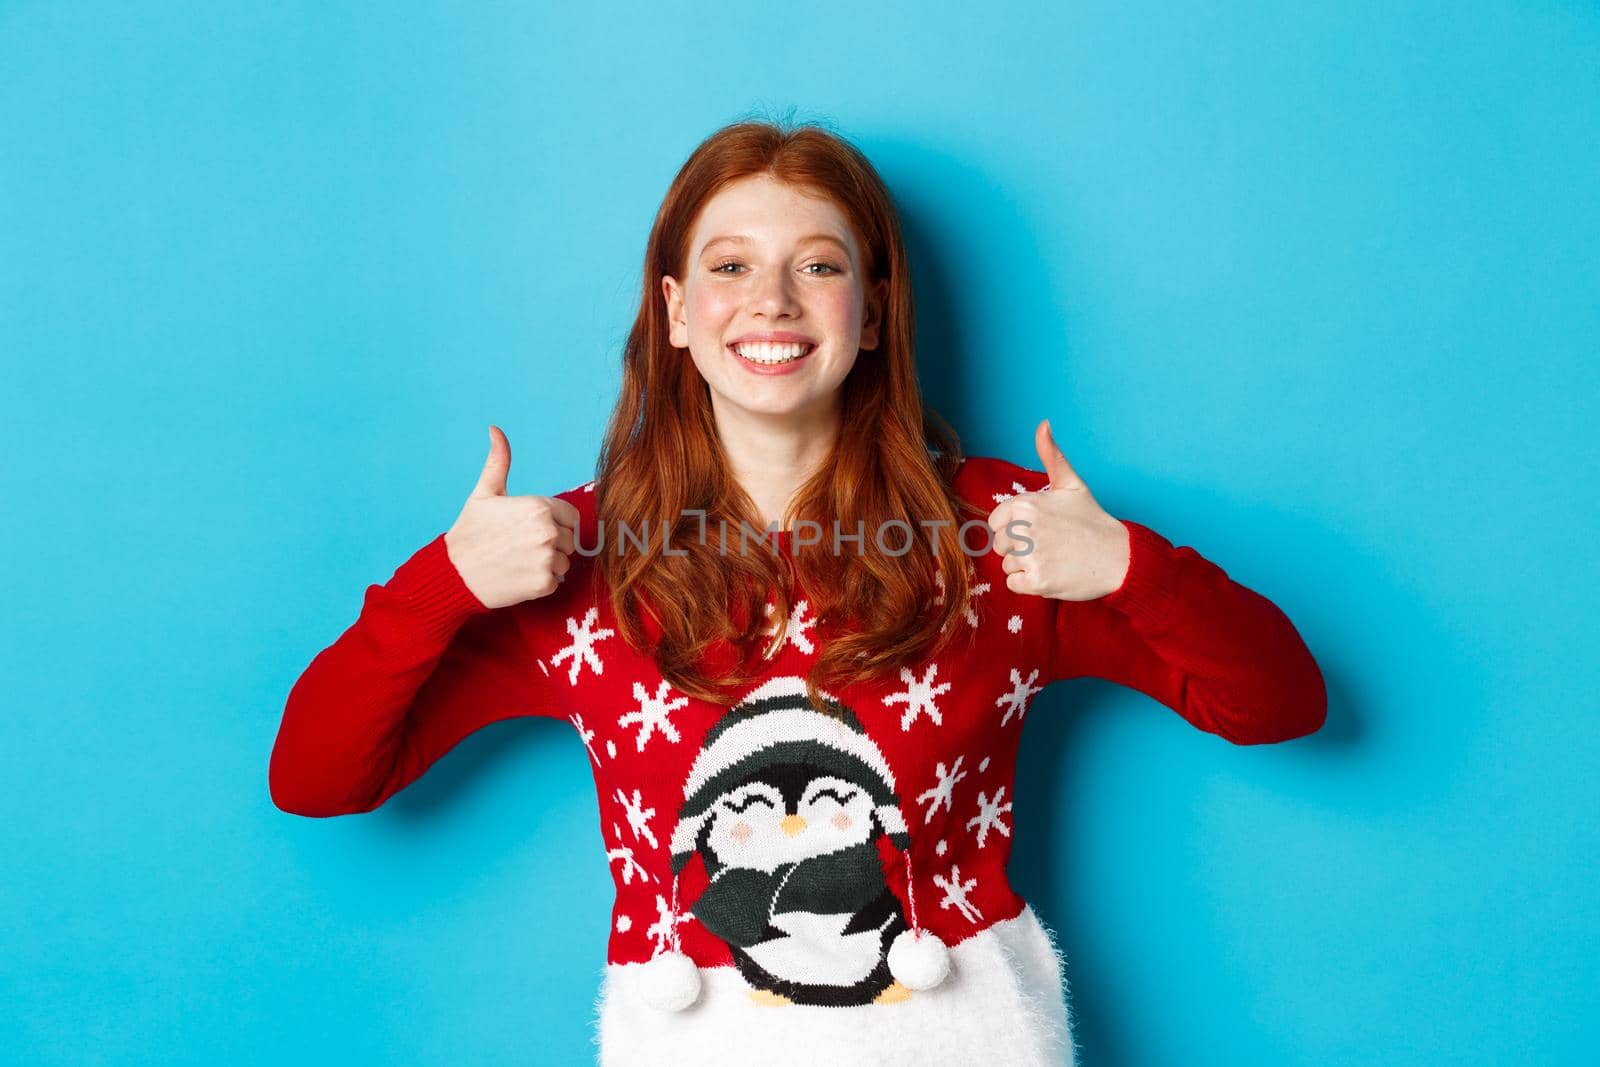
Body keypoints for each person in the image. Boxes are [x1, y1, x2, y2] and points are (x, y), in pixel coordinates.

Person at [269, 119, 1327, 1066]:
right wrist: (443, 583)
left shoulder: (1003, 536)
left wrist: (1130, 569)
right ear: (675, 311)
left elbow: (1278, 704)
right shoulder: (575, 557)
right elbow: (317, 776)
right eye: (730, 265)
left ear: (871, 314)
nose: (770, 300)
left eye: (817, 265)